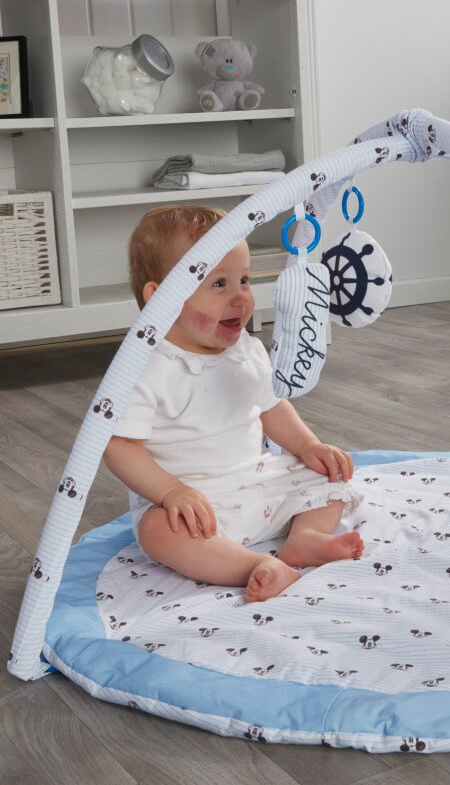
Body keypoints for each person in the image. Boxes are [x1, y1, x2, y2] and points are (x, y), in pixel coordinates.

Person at [103, 205, 363, 603]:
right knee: (158, 531)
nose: (241, 297)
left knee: (332, 474)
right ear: (161, 299)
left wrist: (309, 447)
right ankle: (251, 565)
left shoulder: (247, 349)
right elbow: (117, 445)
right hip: (194, 504)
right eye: (219, 284)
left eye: (244, 279)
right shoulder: (144, 365)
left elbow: (271, 407)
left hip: (255, 479)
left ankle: (305, 537)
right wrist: (172, 493)